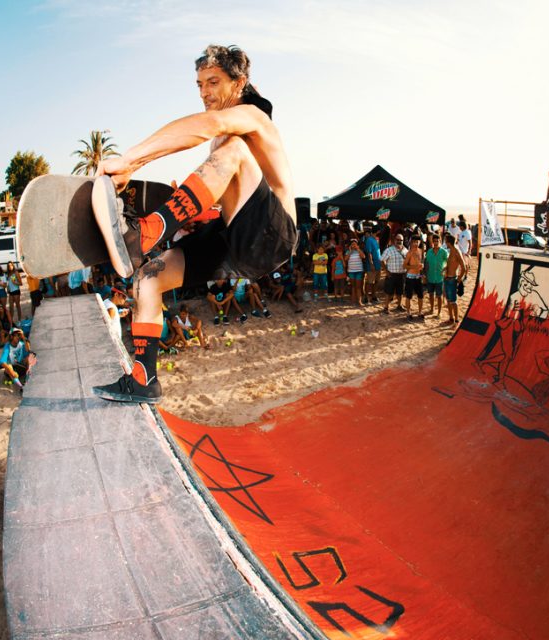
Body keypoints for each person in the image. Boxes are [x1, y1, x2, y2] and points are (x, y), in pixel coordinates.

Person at [91, 44, 296, 403]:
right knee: (149, 277)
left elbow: (208, 125)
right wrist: (191, 205)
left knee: (230, 149)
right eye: (199, 84)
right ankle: (144, 378)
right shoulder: (224, 137)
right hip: (233, 237)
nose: (204, 93)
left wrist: (130, 161)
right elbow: (222, 191)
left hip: (272, 235)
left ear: (240, 82)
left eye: (213, 82)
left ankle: (147, 232)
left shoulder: (253, 119)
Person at [0, 328, 34, 393]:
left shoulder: (22, 344)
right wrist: (12, 372)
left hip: (22, 368)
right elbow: (2, 361)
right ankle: (21, 386)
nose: (18, 337)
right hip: (12, 371)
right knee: (8, 365)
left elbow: (28, 350)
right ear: (11, 336)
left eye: (19, 335)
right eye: (16, 335)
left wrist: (23, 337)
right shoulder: (7, 346)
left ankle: (27, 378)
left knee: (29, 357)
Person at [380, 234, 407, 314]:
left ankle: (399, 305)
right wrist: (386, 271)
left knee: (400, 292)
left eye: (401, 240)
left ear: (403, 241)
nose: (399, 241)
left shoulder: (406, 250)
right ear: (394, 240)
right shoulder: (389, 250)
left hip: (402, 275)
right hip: (391, 274)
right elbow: (382, 260)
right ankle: (386, 307)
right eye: (397, 239)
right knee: (389, 292)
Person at [443, 234, 466, 326]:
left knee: (453, 301)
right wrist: (445, 269)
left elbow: (463, 267)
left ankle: (456, 320)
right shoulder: (451, 251)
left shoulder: (456, 251)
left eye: (445, 241)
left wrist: (458, 279)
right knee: (448, 300)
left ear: (448, 242)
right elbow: (451, 265)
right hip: (447, 278)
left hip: (452, 279)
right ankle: (451, 318)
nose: (445, 243)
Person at [424, 233, 448, 318]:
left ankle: (439, 312)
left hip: (439, 277)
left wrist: (444, 270)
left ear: (440, 241)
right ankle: (431, 309)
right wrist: (425, 275)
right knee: (430, 294)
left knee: (439, 295)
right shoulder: (429, 252)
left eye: (437, 241)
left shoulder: (444, 252)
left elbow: (449, 262)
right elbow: (426, 264)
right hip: (430, 276)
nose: (436, 242)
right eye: (434, 241)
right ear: (432, 242)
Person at [403, 236, 425, 320]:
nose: (416, 243)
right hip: (410, 276)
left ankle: (420, 312)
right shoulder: (409, 253)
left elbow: (422, 262)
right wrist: (414, 266)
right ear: (411, 242)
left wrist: (422, 268)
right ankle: (408, 313)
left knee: (421, 295)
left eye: (417, 241)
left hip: (418, 276)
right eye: (414, 241)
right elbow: (404, 265)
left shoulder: (420, 251)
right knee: (409, 296)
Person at [362, 227, 381, 304]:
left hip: (378, 264)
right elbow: (368, 253)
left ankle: (374, 296)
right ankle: (366, 298)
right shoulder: (369, 240)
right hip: (372, 265)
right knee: (370, 282)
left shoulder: (376, 239)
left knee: (376, 281)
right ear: (378, 231)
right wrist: (371, 263)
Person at [345, 238, 365, 305]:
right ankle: (353, 301)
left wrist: (358, 249)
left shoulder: (359, 251)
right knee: (353, 286)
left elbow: (363, 256)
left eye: (355, 244)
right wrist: (350, 251)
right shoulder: (348, 251)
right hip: (351, 271)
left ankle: (359, 301)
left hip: (359, 271)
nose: (353, 245)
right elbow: (346, 259)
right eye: (352, 244)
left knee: (358, 287)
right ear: (350, 245)